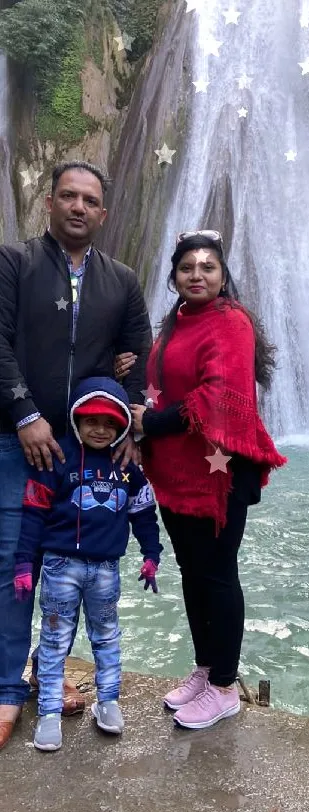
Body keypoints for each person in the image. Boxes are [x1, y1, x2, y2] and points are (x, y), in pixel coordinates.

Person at [0, 161, 152, 748]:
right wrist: (25, 414)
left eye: (90, 200)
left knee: (68, 565)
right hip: (17, 443)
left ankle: (45, 673)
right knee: (17, 568)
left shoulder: (122, 281)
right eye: (69, 196)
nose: (79, 207)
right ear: (50, 202)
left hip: (88, 454)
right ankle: (8, 689)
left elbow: (136, 357)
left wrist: (131, 429)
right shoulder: (13, 263)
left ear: (103, 213)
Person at [131, 230, 287, 731]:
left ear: (223, 276)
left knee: (217, 574)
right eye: (187, 268)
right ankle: (205, 668)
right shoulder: (175, 322)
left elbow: (217, 395)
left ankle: (225, 687)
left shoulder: (231, 322)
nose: (197, 275)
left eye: (208, 267)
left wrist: (148, 424)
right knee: (194, 573)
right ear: (174, 276)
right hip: (178, 471)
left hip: (220, 473)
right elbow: (163, 385)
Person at [13, 376, 162, 751]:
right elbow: (33, 514)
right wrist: (23, 564)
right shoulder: (58, 458)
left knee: (107, 636)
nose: (100, 429)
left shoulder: (127, 466)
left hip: (106, 570)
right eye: (91, 421)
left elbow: (143, 513)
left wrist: (151, 554)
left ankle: (108, 700)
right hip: (61, 566)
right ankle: (48, 712)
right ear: (76, 420)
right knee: (54, 638)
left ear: (122, 427)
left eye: (110, 423)